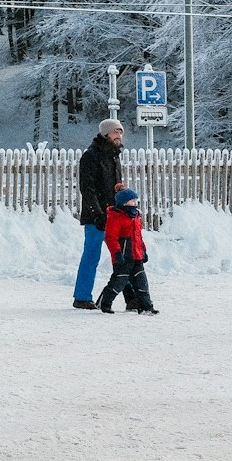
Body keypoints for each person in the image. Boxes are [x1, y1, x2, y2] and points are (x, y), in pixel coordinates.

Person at [74, 118, 126, 309]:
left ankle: (132, 298)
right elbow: (87, 189)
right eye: (115, 132)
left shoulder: (114, 156)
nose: (118, 135)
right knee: (92, 255)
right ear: (105, 134)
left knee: (123, 255)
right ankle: (81, 296)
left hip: (115, 215)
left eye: (120, 132)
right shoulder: (91, 156)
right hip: (97, 217)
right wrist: (97, 214)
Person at [97, 187, 156, 314]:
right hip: (123, 258)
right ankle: (104, 303)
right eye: (132, 201)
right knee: (117, 283)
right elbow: (111, 238)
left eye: (135, 200)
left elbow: (139, 237)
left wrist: (143, 250)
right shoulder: (116, 217)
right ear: (124, 203)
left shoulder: (136, 217)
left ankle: (146, 307)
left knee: (142, 284)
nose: (135, 203)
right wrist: (117, 253)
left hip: (137, 257)